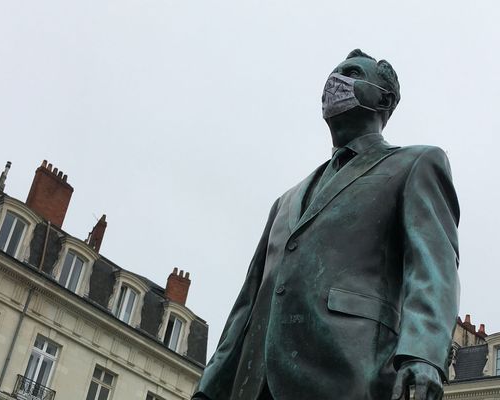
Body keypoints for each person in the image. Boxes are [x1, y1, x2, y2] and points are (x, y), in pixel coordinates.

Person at [194, 49, 460, 400]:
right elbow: (246, 307)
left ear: (385, 98)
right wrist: (209, 388)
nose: (335, 83)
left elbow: (433, 267)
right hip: (254, 383)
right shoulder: (285, 201)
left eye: (350, 73)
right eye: (333, 75)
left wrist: (423, 353)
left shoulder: (415, 163)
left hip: (347, 372)